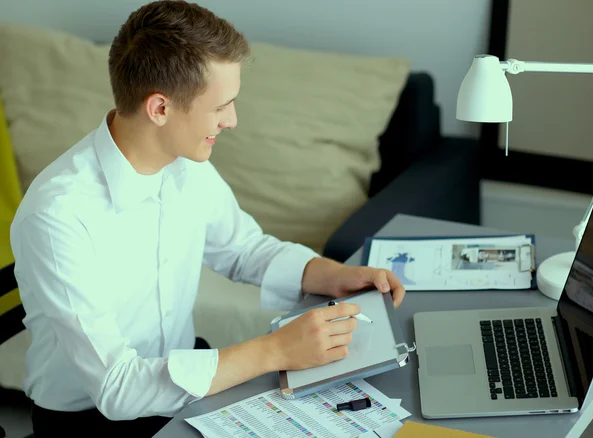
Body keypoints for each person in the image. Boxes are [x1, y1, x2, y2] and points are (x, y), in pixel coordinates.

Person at [9, 1, 406, 436]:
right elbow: (116, 387)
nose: (232, 121)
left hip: (185, 377)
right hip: (93, 419)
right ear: (159, 109)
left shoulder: (186, 166)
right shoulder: (57, 216)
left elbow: (243, 248)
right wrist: (274, 351)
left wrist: (330, 275)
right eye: (221, 107)